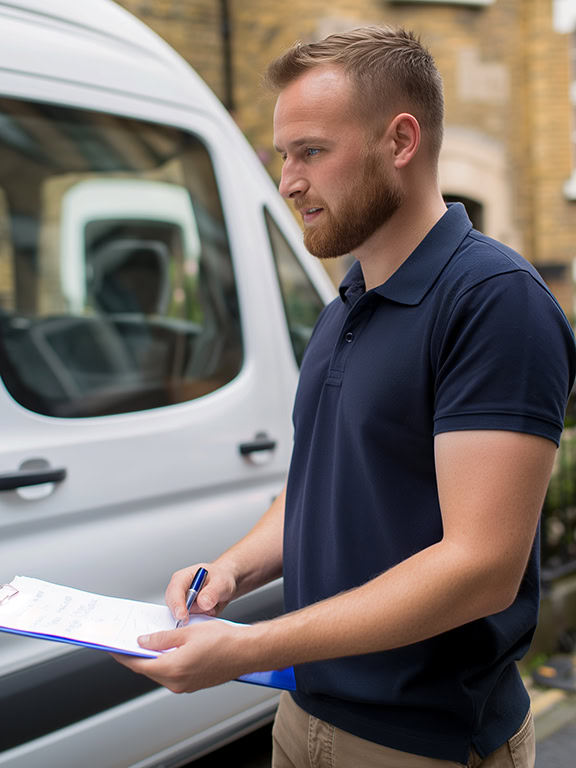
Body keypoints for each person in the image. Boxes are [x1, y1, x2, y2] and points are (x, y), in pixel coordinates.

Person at [114, 26, 576, 767]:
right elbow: (322, 486)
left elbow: (482, 566)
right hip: (303, 714)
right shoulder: (346, 304)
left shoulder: (493, 302)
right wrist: (233, 570)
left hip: (421, 742)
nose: (288, 180)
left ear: (400, 140)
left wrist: (249, 647)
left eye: (312, 152)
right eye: (282, 156)